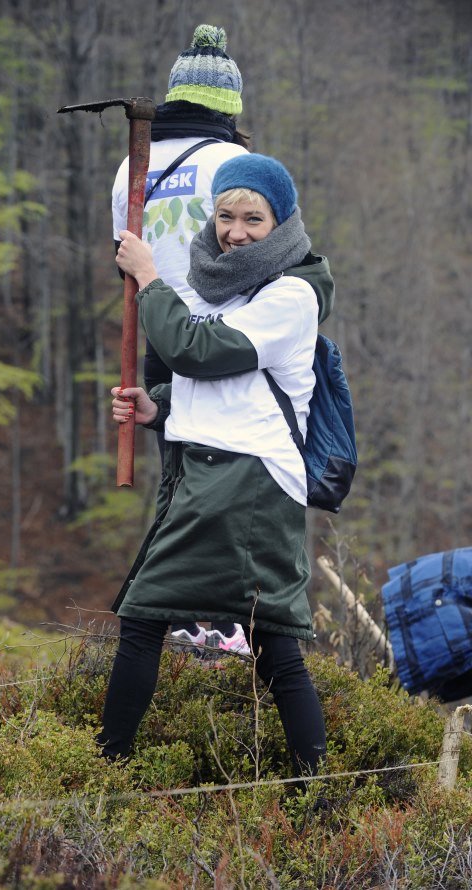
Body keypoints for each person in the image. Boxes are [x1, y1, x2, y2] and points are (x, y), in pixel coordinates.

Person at [99, 153, 333, 780]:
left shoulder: (292, 295)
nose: (235, 231)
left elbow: (198, 350)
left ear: (281, 222)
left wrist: (150, 280)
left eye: (253, 218)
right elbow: (222, 385)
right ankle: (319, 791)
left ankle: (103, 770)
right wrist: (158, 409)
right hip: (217, 472)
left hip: (244, 480)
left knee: (146, 615)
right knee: (273, 640)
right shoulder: (226, 288)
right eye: (226, 215)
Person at [112, 23, 251, 655]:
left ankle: (179, 618)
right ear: (228, 107)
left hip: (157, 337)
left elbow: (124, 257)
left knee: (178, 475)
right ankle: (215, 623)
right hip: (219, 336)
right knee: (223, 478)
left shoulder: (131, 166)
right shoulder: (234, 166)